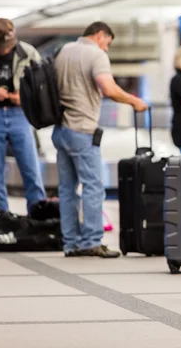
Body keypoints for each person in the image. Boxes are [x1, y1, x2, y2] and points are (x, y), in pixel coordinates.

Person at [53, 22, 148, 258]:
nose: (107, 48)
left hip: (61, 129)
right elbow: (108, 88)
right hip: (83, 129)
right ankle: (92, 241)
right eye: (107, 42)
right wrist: (133, 101)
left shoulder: (63, 51)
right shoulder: (95, 54)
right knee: (93, 186)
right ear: (99, 35)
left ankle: (71, 243)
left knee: (67, 189)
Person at [0, 18, 46, 214]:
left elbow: (42, 84)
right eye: (0, 46)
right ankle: (0, 215)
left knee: (31, 167)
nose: (4, 50)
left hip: (20, 115)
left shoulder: (28, 53)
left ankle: (38, 213)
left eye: (8, 46)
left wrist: (25, 97)